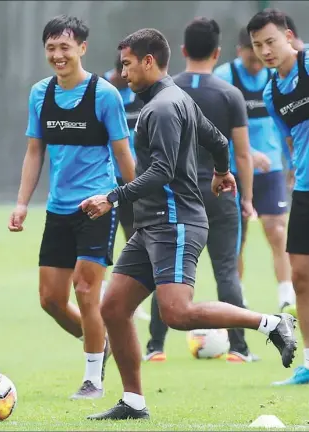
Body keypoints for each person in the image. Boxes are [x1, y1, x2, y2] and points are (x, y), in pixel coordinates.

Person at [79, 28, 297, 420]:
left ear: (149, 61)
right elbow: (216, 139)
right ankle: (133, 402)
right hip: (152, 225)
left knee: (177, 313)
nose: (123, 72)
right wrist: (220, 171)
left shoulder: (161, 108)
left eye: (128, 64)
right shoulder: (175, 99)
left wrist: (112, 197)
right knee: (112, 308)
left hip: (174, 222)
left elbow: (161, 171)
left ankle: (271, 322)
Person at [8, 15, 135, 399]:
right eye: (50, 48)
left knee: (85, 290)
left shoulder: (105, 95)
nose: (57, 55)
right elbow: (34, 152)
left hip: (96, 205)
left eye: (65, 47)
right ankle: (99, 340)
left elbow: (123, 156)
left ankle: (93, 378)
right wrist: (21, 203)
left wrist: (133, 199)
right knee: (50, 299)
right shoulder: (39, 94)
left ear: (82, 48)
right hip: (58, 210)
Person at [144, 17, 258, 364]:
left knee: (164, 269)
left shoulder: (165, 91)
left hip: (175, 197)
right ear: (217, 52)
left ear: (182, 50)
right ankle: (239, 349)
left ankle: (155, 347)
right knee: (226, 269)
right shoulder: (229, 94)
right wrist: (248, 198)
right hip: (220, 191)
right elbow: (241, 153)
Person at [215, 26, 296, 313]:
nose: (259, 58)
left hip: (271, 167)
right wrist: (247, 152)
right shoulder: (225, 78)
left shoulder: (275, 76)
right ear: (241, 51)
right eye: (253, 52)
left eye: (264, 50)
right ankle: (238, 297)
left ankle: (287, 295)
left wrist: (290, 160)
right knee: (237, 235)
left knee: (276, 228)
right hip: (233, 169)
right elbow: (214, 128)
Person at [248, 8, 309, 386]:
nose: (265, 50)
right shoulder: (271, 91)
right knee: (301, 276)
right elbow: (289, 141)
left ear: (288, 36)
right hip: (303, 187)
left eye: (271, 41)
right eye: (258, 46)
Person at [103, 55, 150, 322]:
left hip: (136, 179)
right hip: (107, 181)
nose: (128, 73)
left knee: (135, 235)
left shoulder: (141, 92)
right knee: (103, 240)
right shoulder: (104, 91)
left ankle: (132, 299)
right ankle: (102, 294)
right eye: (124, 67)